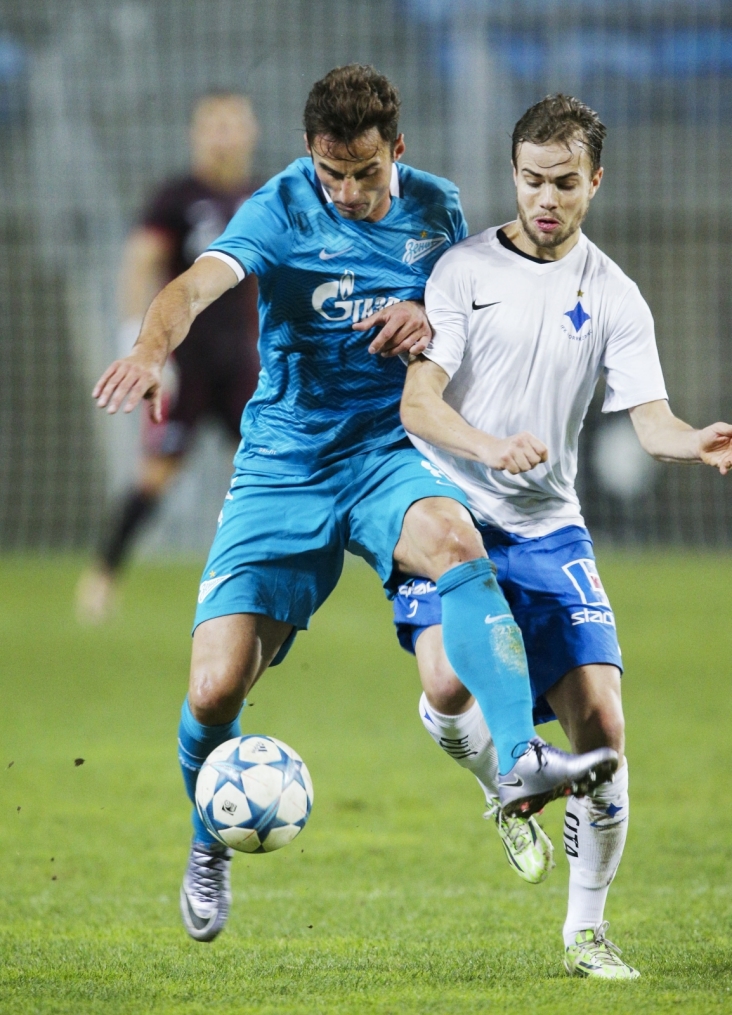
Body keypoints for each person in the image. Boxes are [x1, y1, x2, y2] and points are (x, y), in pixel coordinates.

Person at [92, 67, 617, 944]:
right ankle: (208, 838)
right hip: (285, 463)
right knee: (215, 688)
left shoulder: (438, 208)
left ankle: (520, 763)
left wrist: (426, 315)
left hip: (386, 451)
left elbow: (458, 317)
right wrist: (150, 350)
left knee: (454, 537)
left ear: (396, 150)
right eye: (331, 172)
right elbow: (191, 286)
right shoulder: (279, 208)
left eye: (365, 172)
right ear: (310, 154)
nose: (346, 191)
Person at [394, 93, 732, 980]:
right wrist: (489, 448)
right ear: (514, 175)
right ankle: (503, 782)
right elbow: (419, 404)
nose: (546, 199)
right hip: (451, 511)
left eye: (565, 183)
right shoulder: (463, 271)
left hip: (550, 527)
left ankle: (586, 931)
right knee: (446, 683)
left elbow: (650, 420)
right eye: (532, 180)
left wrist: (694, 441)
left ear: (595, 182)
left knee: (605, 728)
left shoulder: (615, 293)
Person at [76, 92, 261, 622]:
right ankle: (102, 576)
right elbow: (140, 263)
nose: (223, 135)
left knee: (268, 467)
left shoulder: (261, 198)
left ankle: (267, 576)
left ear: (250, 131)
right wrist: (138, 343)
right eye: (213, 124)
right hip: (186, 366)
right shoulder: (176, 197)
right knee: (155, 474)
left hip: (243, 364)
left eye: (232, 124)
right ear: (196, 134)